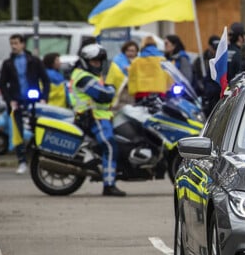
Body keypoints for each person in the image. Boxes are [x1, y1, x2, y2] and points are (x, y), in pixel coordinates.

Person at [70, 44, 125, 196]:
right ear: (86, 61)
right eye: (94, 61)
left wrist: (109, 89)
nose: (97, 64)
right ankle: (109, 185)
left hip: (98, 116)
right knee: (110, 145)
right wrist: (111, 89)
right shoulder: (83, 77)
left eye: (99, 61)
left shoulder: (89, 75)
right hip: (92, 117)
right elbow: (103, 94)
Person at [0, 34, 50, 174]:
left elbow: (45, 80)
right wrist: (10, 100)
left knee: (38, 130)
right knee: (18, 132)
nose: (13, 46)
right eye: (11, 43)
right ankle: (22, 160)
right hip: (16, 101)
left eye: (16, 43)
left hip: (34, 101)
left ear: (23, 44)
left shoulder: (34, 61)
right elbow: (3, 84)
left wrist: (44, 97)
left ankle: (41, 159)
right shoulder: (8, 63)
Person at [128, 36, 173, 103]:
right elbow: (169, 77)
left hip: (141, 93)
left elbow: (132, 78)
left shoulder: (136, 61)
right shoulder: (163, 60)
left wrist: (132, 92)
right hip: (159, 93)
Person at [105, 40, 139, 109]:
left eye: (132, 51)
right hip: (120, 93)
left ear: (136, 52)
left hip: (132, 95)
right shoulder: (119, 60)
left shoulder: (138, 60)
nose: (130, 53)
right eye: (128, 50)